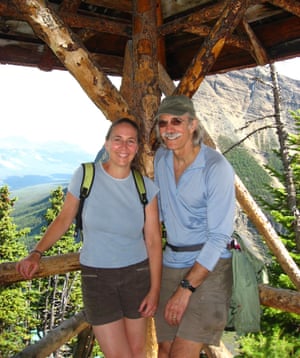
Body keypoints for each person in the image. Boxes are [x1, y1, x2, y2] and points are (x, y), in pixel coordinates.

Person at [16, 117, 162, 358]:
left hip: (137, 276)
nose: (123, 147)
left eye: (130, 141)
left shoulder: (146, 187)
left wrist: (154, 289)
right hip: (97, 277)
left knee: (137, 352)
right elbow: (64, 219)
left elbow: (154, 241)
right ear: (106, 144)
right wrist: (36, 252)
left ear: (137, 147)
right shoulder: (86, 175)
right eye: (117, 140)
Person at [153, 95, 236, 358]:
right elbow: (162, 214)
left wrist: (186, 289)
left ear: (193, 125)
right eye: (163, 122)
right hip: (171, 261)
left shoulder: (215, 167)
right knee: (164, 350)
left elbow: (220, 235)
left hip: (209, 265)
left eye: (177, 121)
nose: (168, 129)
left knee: (181, 353)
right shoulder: (161, 159)